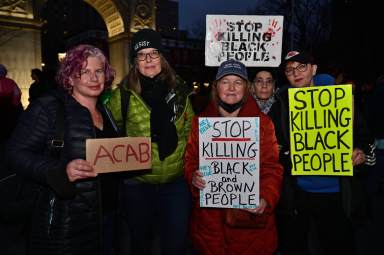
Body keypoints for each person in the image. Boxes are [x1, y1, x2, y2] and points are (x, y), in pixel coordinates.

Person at [6, 44, 118, 254]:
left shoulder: (106, 111)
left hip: (107, 218)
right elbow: (14, 153)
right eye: (84, 71)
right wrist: (59, 170)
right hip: (64, 221)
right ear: (70, 77)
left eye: (99, 71)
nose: (94, 78)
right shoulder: (48, 107)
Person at [269, 50, 375, 255]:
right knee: (296, 247)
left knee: (338, 246)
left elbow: (364, 138)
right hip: (298, 195)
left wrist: (360, 154)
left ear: (313, 69)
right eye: (290, 70)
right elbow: (274, 149)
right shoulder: (281, 106)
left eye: (302, 67)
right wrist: (286, 156)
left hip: (336, 194)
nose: (296, 73)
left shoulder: (340, 98)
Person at [106, 28, 194, 255]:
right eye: (142, 54)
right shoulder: (122, 96)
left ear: (162, 58)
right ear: (135, 61)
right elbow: (107, 132)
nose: (148, 60)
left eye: (154, 53)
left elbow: (190, 132)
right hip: (138, 185)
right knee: (140, 245)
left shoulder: (181, 92)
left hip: (176, 185)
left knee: (175, 246)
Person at [184, 59, 283, 255]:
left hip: (250, 228)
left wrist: (265, 197)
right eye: (225, 81)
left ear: (246, 88)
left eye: (237, 82)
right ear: (216, 87)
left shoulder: (263, 124)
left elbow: (272, 167)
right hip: (210, 228)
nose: (231, 88)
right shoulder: (200, 123)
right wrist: (194, 177)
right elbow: (190, 161)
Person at [0, 64, 23, 144]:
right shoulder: (10, 82)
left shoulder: (10, 82)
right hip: (9, 108)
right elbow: (17, 94)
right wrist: (14, 105)